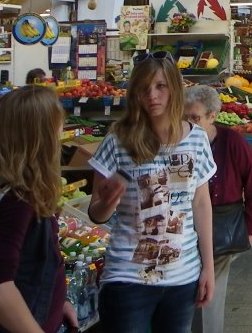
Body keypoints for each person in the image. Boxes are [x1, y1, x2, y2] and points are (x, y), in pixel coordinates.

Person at [88, 53, 216, 333]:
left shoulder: (196, 139)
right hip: (127, 278)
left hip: (182, 277)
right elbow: (96, 212)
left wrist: (208, 266)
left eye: (160, 86)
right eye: (144, 88)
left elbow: (201, 204)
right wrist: (108, 202)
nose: (152, 95)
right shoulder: (118, 140)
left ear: (174, 88)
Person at [0, 86, 78, 333]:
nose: (61, 134)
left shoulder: (16, 191)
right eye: (57, 127)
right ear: (39, 137)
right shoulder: (18, 200)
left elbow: (27, 268)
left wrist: (57, 302)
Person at [184, 86, 252, 333]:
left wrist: (250, 228)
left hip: (222, 225)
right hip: (186, 228)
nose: (190, 123)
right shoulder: (180, 141)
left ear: (212, 115)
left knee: (210, 294)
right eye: (185, 117)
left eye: (195, 118)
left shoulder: (232, 141)